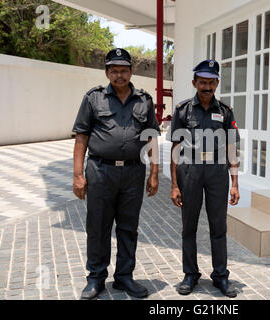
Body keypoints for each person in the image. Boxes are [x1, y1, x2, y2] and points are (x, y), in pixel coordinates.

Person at [72, 48, 160, 300]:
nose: (119, 75)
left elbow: (151, 138)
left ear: (132, 71)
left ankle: (124, 277)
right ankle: (96, 278)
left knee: (128, 227)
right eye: (114, 70)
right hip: (100, 171)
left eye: (123, 70)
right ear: (107, 72)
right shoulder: (93, 98)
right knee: (98, 226)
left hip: (133, 172)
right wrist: (78, 175)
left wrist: (154, 173)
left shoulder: (144, 100)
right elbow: (81, 138)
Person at [169, 59, 240, 298]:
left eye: (211, 82)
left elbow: (232, 148)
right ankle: (190, 275)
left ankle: (220, 276)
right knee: (189, 226)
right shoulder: (182, 110)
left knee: (218, 227)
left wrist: (235, 183)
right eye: (202, 82)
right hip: (190, 170)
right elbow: (176, 149)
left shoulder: (226, 111)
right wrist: (174, 185)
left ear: (217, 83)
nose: (207, 86)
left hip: (217, 173)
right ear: (194, 83)